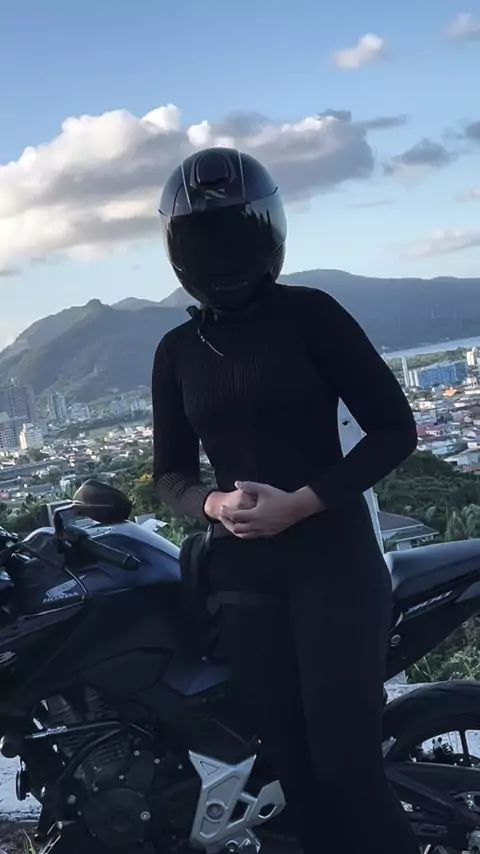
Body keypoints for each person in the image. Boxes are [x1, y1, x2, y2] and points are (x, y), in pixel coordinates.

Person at [152, 147, 419, 854]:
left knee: (348, 771)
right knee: (292, 777)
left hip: (334, 561)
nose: (223, 254)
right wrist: (213, 506)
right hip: (242, 577)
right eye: (206, 238)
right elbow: (169, 475)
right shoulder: (176, 351)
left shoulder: (312, 315)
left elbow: (395, 430)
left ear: (267, 233)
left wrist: (301, 503)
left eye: (235, 234)